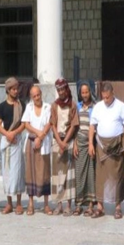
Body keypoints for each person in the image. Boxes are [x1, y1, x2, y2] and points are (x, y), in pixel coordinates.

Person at [89, 82, 124, 219]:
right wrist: (90, 144)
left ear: (113, 93)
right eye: (103, 97)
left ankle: (117, 207)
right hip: (101, 145)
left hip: (116, 145)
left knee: (117, 176)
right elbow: (92, 126)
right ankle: (100, 207)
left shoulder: (121, 106)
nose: (105, 100)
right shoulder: (98, 107)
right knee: (101, 176)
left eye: (108, 97)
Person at [0, 77, 26, 215]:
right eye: (13, 89)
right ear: (8, 90)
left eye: (17, 89)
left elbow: (24, 124)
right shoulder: (2, 106)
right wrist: (7, 134)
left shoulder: (21, 105)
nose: (16, 91)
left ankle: (19, 203)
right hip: (7, 142)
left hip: (17, 140)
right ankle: (9, 203)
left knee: (18, 172)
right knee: (7, 173)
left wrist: (14, 133)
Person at [50, 78, 79, 216]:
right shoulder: (54, 105)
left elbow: (74, 125)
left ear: (66, 89)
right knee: (57, 174)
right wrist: (59, 142)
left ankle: (68, 205)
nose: (61, 92)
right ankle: (59, 204)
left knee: (69, 175)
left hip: (68, 141)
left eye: (63, 89)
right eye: (59, 90)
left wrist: (65, 142)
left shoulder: (72, 105)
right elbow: (53, 125)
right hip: (57, 141)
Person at [23, 85, 52, 215]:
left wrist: (41, 137)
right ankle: (31, 204)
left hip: (43, 143)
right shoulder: (29, 107)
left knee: (44, 172)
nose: (37, 98)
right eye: (34, 96)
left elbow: (49, 123)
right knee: (31, 172)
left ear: (41, 94)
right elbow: (26, 124)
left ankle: (46, 204)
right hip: (31, 142)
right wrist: (37, 133)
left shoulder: (47, 107)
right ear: (31, 97)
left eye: (38, 95)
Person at [74, 81, 97, 217]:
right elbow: (75, 126)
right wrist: (75, 144)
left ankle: (90, 205)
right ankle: (78, 204)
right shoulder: (77, 107)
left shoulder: (95, 107)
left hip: (91, 143)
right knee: (79, 174)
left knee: (91, 174)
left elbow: (95, 126)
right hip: (80, 142)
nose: (85, 95)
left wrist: (91, 143)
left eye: (87, 92)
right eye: (82, 92)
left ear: (90, 92)